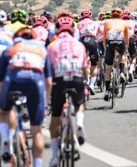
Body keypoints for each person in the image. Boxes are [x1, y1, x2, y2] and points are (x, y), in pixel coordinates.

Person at [0, 27, 52, 166]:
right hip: (35, 83)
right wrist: (46, 102)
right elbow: (49, 82)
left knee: (2, 112)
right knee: (36, 130)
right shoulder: (42, 50)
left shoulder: (11, 48)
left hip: (13, 81)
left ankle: (6, 138)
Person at [47, 14, 88, 166]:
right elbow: (84, 69)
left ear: (57, 31)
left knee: (55, 119)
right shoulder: (80, 45)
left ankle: (54, 156)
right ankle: (79, 122)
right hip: (77, 78)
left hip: (59, 80)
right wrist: (86, 84)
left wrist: (47, 97)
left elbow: (48, 73)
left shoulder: (51, 46)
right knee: (79, 104)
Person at [102, 7, 129, 101]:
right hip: (120, 42)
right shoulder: (124, 23)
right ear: (120, 15)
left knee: (108, 67)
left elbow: (105, 37)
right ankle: (121, 72)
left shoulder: (106, 22)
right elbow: (126, 38)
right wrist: (126, 48)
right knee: (122, 55)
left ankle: (106, 90)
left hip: (110, 43)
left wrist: (106, 48)